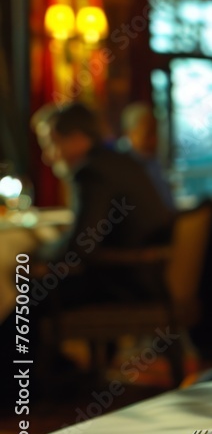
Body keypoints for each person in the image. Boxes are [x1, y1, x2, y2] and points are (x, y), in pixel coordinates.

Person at [33, 103, 176, 304]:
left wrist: (36, 252)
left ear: (77, 139)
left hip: (129, 286)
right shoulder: (119, 161)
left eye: (51, 144)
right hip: (153, 276)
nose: (47, 157)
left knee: (25, 289)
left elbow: (80, 247)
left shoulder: (91, 173)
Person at [119, 102, 175, 210]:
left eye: (156, 133)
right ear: (130, 133)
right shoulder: (121, 167)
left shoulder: (154, 162)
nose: (155, 140)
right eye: (148, 134)